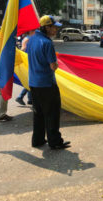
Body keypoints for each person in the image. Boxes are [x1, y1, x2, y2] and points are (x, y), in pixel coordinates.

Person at [27, 15, 70, 150]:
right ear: (46, 27)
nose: (56, 30)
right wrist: (56, 62)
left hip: (34, 84)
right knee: (52, 114)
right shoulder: (47, 43)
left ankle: (38, 140)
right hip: (47, 84)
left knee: (38, 113)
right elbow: (53, 66)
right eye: (54, 27)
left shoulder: (31, 40)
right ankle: (55, 141)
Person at [15, 30, 35, 105]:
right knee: (31, 81)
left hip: (29, 61)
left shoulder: (27, 38)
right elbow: (23, 49)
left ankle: (29, 99)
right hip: (29, 61)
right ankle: (21, 97)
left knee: (30, 80)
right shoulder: (28, 38)